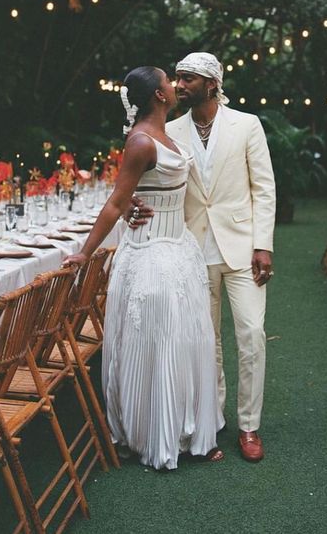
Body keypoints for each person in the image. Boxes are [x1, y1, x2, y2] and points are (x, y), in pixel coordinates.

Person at [63, 66, 224, 470]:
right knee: (157, 345)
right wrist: (84, 253)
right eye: (169, 81)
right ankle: (153, 434)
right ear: (159, 95)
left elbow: (142, 190)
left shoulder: (166, 136)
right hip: (150, 255)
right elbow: (117, 202)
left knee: (188, 341)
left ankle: (186, 429)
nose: (175, 85)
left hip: (179, 251)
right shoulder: (140, 141)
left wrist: (139, 201)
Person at [131, 52, 276, 462]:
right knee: (205, 340)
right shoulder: (169, 129)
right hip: (190, 247)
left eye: (188, 78)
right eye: (176, 78)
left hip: (243, 248)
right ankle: (213, 418)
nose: (178, 85)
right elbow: (143, 179)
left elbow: (264, 188)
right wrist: (131, 207)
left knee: (250, 335)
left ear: (212, 83)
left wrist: (263, 244)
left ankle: (249, 425)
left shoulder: (247, 125)